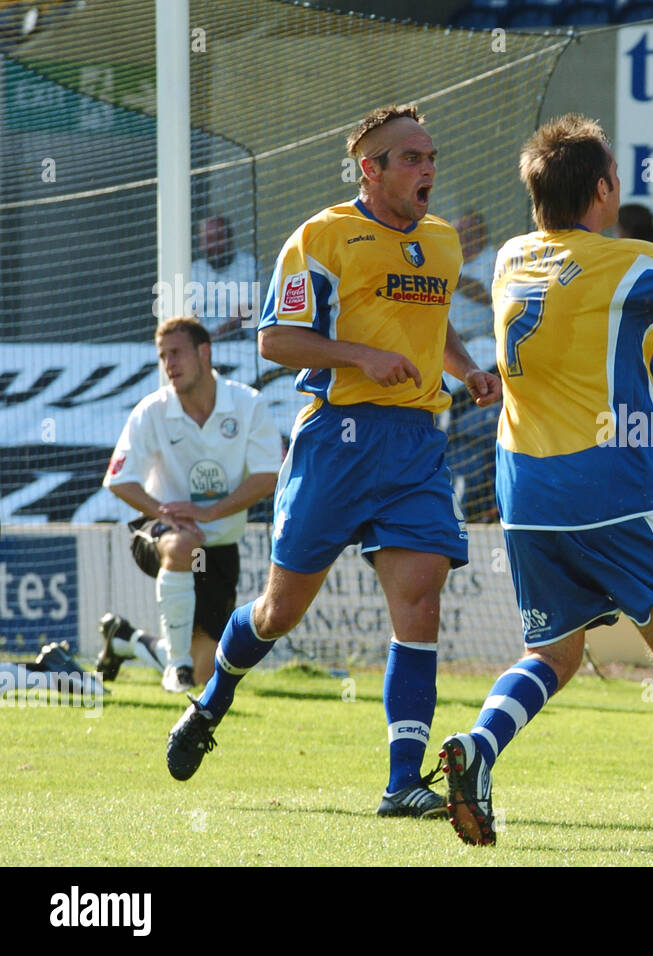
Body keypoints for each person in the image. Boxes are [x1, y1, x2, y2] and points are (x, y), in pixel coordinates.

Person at [164, 105, 503, 826]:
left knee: (420, 605)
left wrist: (468, 368)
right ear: (369, 169)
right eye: (410, 158)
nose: (428, 169)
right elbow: (275, 342)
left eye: (431, 155)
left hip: (415, 440)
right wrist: (360, 356)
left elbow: (433, 322)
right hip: (336, 444)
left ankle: (403, 781)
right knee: (280, 612)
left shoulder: (441, 243)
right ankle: (210, 701)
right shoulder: (322, 236)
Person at [437, 114, 653, 848]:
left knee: (555, 653)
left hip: (523, 493)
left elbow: (649, 333)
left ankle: (479, 748)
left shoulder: (512, 259)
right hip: (609, 490)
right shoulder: (624, 263)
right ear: (605, 187)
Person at [98, 316, 282, 692]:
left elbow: (270, 475)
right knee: (184, 544)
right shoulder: (152, 410)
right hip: (162, 532)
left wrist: (210, 512)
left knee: (206, 673)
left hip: (220, 547)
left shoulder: (248, 404)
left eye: (177, 353)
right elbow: (119, 480)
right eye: (163, 356)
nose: (169, 364)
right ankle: (175, 666)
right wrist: (163, 510)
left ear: (204, 352)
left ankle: (126, 640)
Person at [190, 216, 261, 340]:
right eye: (209, 239)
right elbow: (190, 313)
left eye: (219, 238)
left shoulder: (249, 264)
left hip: (241, 344)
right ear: (201, 243)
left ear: (229, 239)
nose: (215, 245)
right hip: (201, 341)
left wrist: (212, 337)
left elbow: (244, 312)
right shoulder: (194, 270)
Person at [446, 208, 497, 344]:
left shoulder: (492, 258)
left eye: (469, 234)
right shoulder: (450, 257)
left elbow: (486, 296)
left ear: (481, 236)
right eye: (460, 232)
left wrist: (450, 276)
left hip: (482, 342)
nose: (463, 239)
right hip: (450, 342)